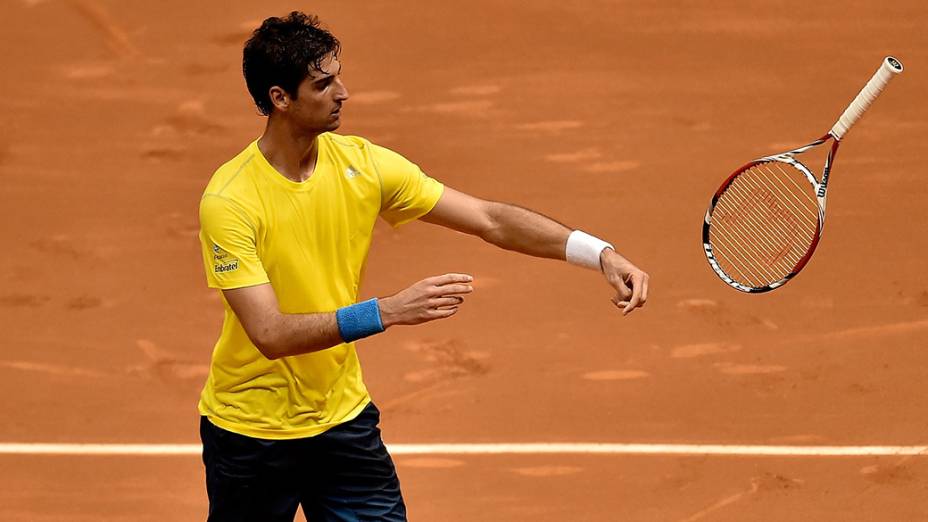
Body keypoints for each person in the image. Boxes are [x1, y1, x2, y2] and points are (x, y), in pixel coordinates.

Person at [196, 11, 649, 522]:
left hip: (342, 421)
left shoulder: (363, 166)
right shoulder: (230, 201)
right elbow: (271, 334)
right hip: (251, 437)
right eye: (323, 84)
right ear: (280, 98)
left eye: (338, 75)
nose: (343, 92)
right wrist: (386, 311)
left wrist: (600, 253)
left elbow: (489, 219)